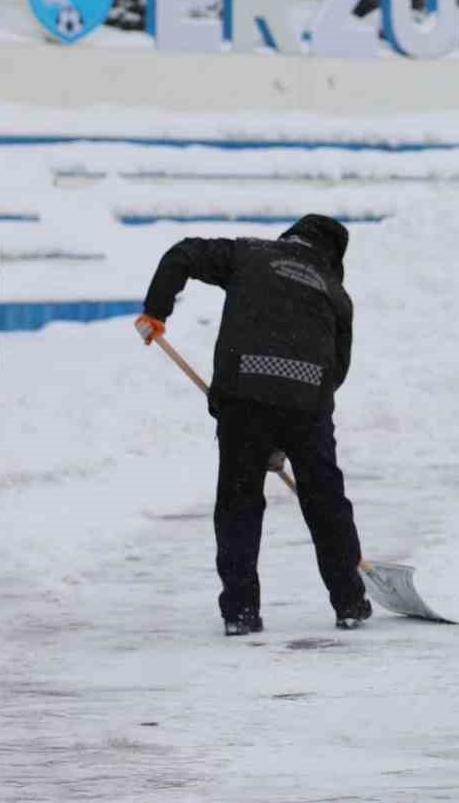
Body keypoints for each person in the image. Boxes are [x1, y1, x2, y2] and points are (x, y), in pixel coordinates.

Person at [135, 214, 372, 636]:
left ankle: (240, 612)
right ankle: (350, 600)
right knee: (325, 501)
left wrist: (156, 310)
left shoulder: (249, 253)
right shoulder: (336, 293)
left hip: (243, 396)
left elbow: (182, 253)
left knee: (239, 504)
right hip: (307, 402)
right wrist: (296, 426)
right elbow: (336, 372)